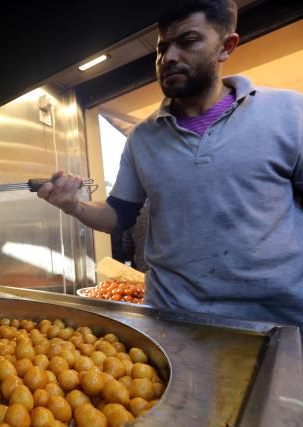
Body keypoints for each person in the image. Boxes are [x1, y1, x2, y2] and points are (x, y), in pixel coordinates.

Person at [38, 0, 303, 327]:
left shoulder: (289, 113)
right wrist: (74, 207)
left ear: (226, 46)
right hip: (172, 321)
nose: (169, 58)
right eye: (162, 48)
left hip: (276, 323)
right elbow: (118, 215)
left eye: (188, 41)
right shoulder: (142, 138)